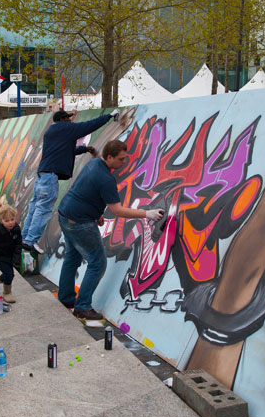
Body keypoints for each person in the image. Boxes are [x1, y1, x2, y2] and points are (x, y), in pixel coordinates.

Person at [56, 139, 163, 320]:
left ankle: (66, 299)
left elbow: (83, 191)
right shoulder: (106, 179)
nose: (124, 162)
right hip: (80, 223)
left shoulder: (94, 164)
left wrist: (96, 213)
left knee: (72, 257)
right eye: (121, 159)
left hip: (66, 214)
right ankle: (82, 306)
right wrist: (148, 214)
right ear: (109, 157)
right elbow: (117, 210)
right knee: (97, 263)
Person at [20, 109, 120, 258]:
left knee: (34, 207)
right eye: (68, 118)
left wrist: (83, 149)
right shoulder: (65, 128)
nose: (71, 121)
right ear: (62, 120)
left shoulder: (51, 132)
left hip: (42, 176)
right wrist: (109, 116)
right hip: (49, 178)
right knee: (44, 209)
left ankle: (24, 238)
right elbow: (88, 126)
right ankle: (31, 240)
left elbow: (64, 150)